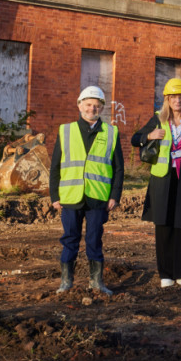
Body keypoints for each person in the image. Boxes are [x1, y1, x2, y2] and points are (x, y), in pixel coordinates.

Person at [131, 78, 181, 288]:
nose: (177, 100)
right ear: (167, 99)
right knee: (164, 226)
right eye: (173, 97)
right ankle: (166, 273)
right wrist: (149, 135)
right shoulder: (158, 120)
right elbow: (134, 139)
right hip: (163, 180)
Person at [49, 86, 124, 296]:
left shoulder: (111, 132)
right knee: (70, 239)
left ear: (101, 108)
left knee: (94, 239)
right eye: (88, 104)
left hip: (98, 197)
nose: (92, 108)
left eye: (96, 105)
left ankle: (97, 282)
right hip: (70, 197)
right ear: (79, 105)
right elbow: (55, 165)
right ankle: (66, 282)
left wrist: (115, 195)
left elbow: (118, 168)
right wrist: (54, 195)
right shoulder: (66, 131)